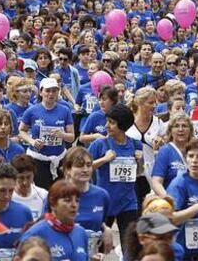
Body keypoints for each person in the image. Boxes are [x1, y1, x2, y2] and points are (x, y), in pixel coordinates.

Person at [88, 103, 143, 252]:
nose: (107, 125)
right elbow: (83, 168)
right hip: (104, 201)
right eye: (107, 121)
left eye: (112, 122)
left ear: (123, 125)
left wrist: (140, 162)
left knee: (130, 248)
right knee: (98, 248)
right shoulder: (99, 144)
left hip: (128, 201)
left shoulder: (136, 145)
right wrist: (104, 160)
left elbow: (138, 173)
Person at [19, 77, 74, 189]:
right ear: (40, 92)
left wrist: (62, 135)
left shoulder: (65, 110)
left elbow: (72, 137)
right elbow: (20, 131)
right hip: (38, 159)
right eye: (47, 91)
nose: (51, 94)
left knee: (59, 193)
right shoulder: (32, 110)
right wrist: (32, 141)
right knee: (42, 193)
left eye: (54, 90)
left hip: (59, 159)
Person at [167, 139, 198, 260]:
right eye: (191, 156)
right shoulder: (178, 184)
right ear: (185, 159)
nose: (194, 161)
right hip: (181, 252)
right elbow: (169, 220)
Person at [62, 146, 113, 258]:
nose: (85, 169)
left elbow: (100, 222)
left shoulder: (102, 195)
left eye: (89, 165)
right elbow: (45, 228)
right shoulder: (57, 195)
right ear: (68, 170)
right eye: (80, 165)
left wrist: (106, 229)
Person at [20, 180, 89, 261]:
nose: (74, 205)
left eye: (77, 200)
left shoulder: (81, 233)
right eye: (67, 200)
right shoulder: (35, 233)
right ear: (53, 204)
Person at [126, 87, 165, 210]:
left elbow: (166, 145)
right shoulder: (127, 121)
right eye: (150, 102)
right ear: (139, 103)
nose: (154, 105)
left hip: (151, 171)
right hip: (131, 170)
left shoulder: (158, 123)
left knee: (150, 208)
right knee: (133, 208)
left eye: (155, 102)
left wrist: (162, 142)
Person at [0, 159, 33, 258]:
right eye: (2, 190)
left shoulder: (24, 212)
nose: (7, 196)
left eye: (11, 191)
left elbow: (30, 246)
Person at [151, 113, 193, 197]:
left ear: (190, 130)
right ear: (170, 130)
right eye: (176, 126)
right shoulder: (165, 151)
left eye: (184, 126)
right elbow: (156, 182)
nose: (180, 129)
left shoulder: (196, 150)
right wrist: (168, 199)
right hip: (171, 202)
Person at [11, 154, 48, 221]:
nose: (25, 182)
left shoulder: (43, 195)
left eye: (28, 177)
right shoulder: (7, 196)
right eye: (21, 178)